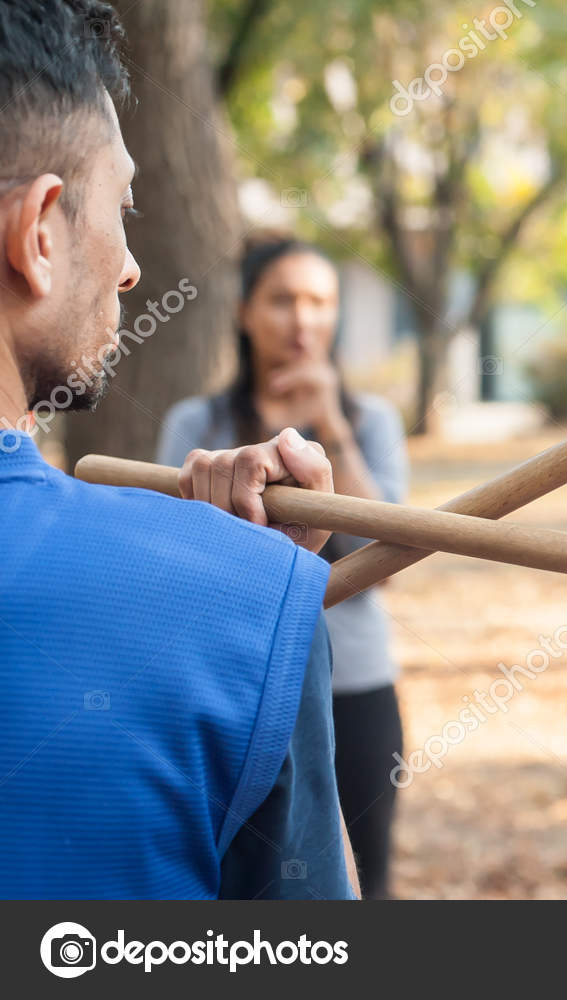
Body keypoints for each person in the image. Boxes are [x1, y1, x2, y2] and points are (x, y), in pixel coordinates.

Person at [0, 0, 354, 898]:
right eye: (121, 205)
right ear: (39, 233)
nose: (130, 266)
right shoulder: (242, 597)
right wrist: (247, 604)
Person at [157, 238, 409, 898]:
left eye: (320, 302)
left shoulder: (371, 421)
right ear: (244, 312)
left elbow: (385, 559)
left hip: (356, 683)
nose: (303, 320)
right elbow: (179, 566)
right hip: (229, 685)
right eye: (282, 300)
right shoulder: (198, 424)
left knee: (366, 878)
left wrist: (330, 424)